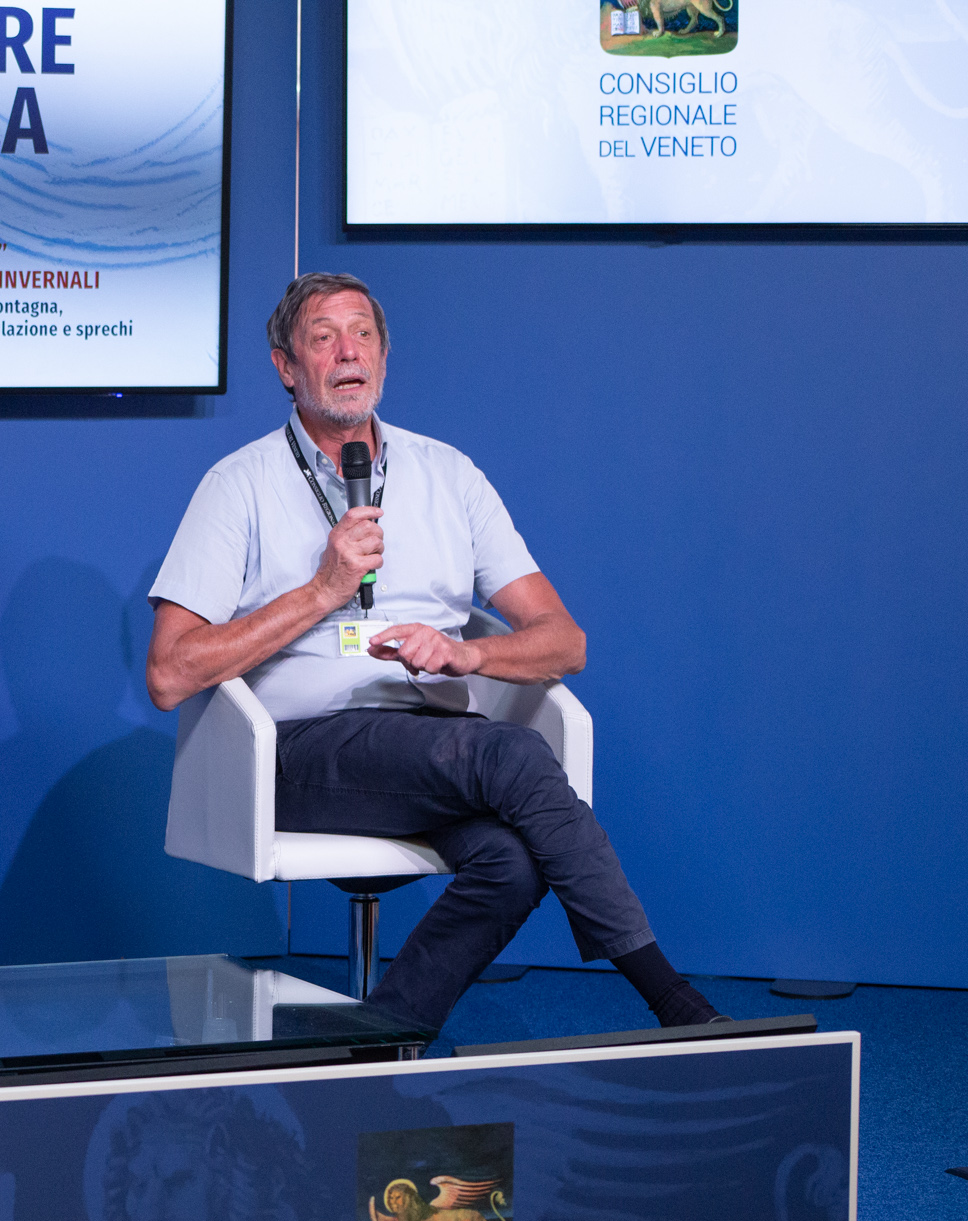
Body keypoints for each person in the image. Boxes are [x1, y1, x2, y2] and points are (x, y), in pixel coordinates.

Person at [145, 273, 720, 1035]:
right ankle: (677, 1005)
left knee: (511, 862)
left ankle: (372, 1039)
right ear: (286, 366)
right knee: (513, 755)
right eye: (323, 337)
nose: (348, 352)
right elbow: (169, 672)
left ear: (384, 357)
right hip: (297, 753)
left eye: (363, 334)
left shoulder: (449, 474)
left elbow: (565, 642)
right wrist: (322, 590)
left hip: (430, 740)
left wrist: (464, 654)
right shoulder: (238, 485)